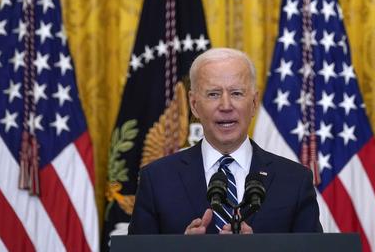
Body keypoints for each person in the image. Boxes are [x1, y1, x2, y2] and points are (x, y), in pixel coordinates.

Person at [128, 47, 322, 234]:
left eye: (236, 93)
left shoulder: (295, 181)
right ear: (194, 105)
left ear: (254, 103)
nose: (226, 105)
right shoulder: (156, 180)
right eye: (213, 94)